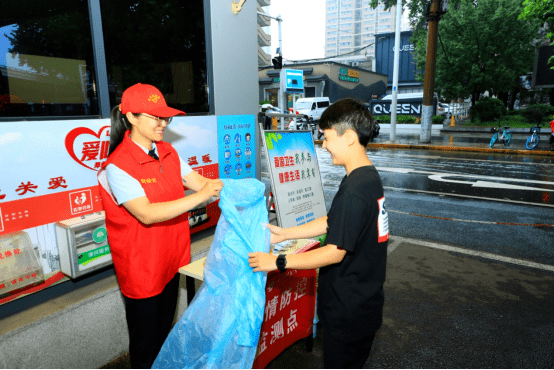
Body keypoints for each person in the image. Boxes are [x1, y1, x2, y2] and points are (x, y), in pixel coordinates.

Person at [248, 98, 389, 369]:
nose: (323, 146)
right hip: (364, 305)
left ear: (349, 137)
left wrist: (277, 262)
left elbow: (334, 252)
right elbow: (331, 222)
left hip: (347, 312)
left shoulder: (354, 192)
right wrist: (284, 234)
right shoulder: (366, 177)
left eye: (326, 138)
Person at [97, 83, 223, 369]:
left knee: (165, 331)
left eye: (165, 117)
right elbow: (147, 214)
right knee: (145, 343)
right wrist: (201, 197)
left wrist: (233, 190)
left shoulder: (168, 152)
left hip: (172, 258)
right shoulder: (117, 165)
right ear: (130, 117)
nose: (163, 123)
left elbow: (200, 183)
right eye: (155, 117)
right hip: (142, 267)